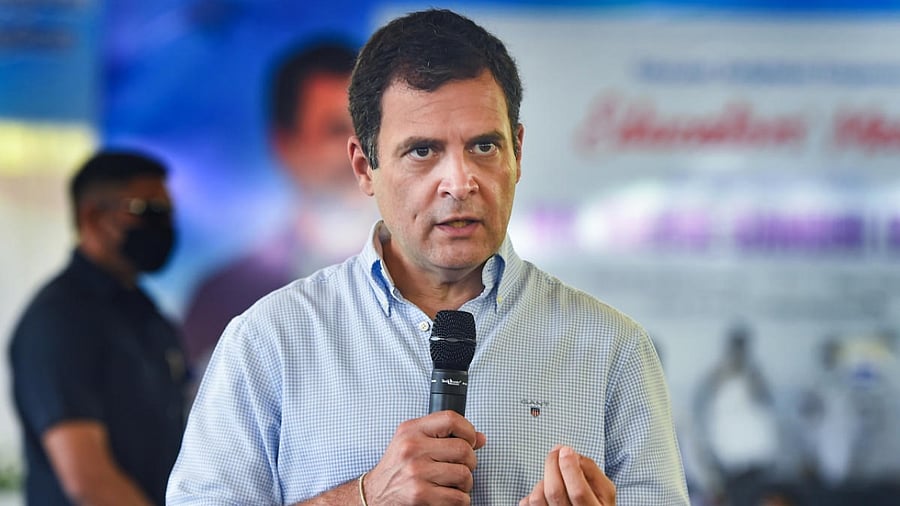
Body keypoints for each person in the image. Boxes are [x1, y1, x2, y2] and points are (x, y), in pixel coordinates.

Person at [167, 8, 689, 505]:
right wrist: (366, 497)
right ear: (364, 166)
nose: (460, 182)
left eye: (485, 147)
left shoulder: (612, 351)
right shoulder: (269, 341)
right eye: (423, 151)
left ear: (518, 153)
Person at [181, 38, 378, 371]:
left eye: (369, 129)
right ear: (286, 145)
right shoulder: (224, 300)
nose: (359, 150)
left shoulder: (426, 282)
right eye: (335, 131)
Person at [9, 150, 188, 505]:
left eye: (167, 212)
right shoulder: (59, 320)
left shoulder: (148, 315)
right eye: (146, 211)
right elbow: (89, 480)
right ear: (92, 217)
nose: (163, 224)